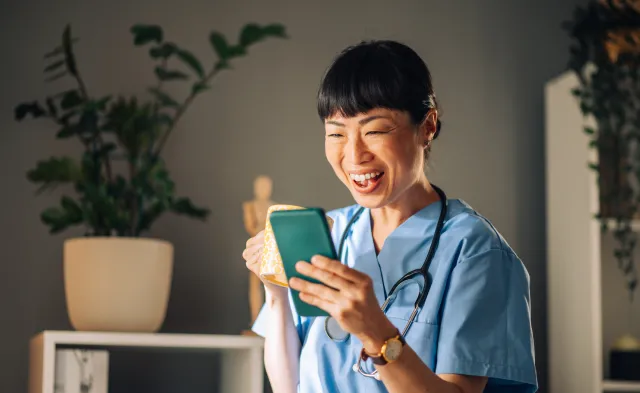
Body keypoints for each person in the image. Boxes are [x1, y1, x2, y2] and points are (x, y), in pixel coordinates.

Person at [242, 40, 537, 393]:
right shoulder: (331, 233)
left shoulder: (474, 251)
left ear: (427, 127)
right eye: (336, 133)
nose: (354, 155)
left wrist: (376, 333)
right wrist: (275, 296)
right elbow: (289, 386)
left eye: (375, 130)